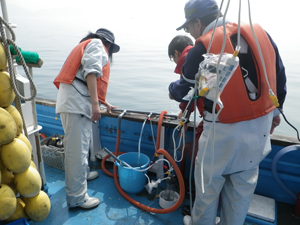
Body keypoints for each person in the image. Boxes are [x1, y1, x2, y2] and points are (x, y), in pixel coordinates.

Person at [169, 0, 287, 224]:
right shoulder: (261, 33)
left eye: (188, 28)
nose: (190, 33)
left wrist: (171, 89)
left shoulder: (203, 45)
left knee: (207, 187)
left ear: (197, 22)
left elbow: (183, 90)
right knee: (241, 191)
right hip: (260, 127)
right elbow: (280, 77)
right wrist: (275, 113)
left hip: (223, 130)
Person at [53, 28, 120, 209]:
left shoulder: (87, 45)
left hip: (73, 101)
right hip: (76, 104)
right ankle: (76, 198)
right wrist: (95, 105)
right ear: (108, 44)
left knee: (79, 147)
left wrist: (104, 102)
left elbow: (84, 78)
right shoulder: (97, 44)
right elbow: (91, 73)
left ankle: (82, 176)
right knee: (77, 153)